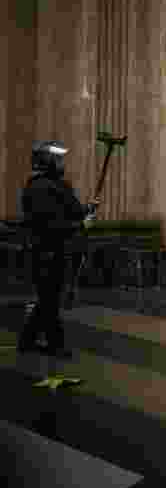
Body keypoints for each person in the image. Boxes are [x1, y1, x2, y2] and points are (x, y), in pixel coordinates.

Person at [17, 140, 98, 357]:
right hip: (44, 251)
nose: (62, 163)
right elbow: (48, 225)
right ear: (47, 161)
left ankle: (27, 342)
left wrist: (86, 210)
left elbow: (71, 209)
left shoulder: (59, 185)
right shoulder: (38, 188)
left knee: (48, 299)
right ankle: (55, 344)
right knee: (49, 300)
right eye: (57, 159)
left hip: (58, 250)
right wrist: (80, 224)